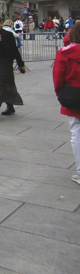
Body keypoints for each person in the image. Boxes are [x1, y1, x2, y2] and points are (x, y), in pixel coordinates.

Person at [52, 22, 80, 186]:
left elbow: (58, 78)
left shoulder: (64, 53)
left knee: (76, 132)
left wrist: (60, 94)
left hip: (73, 96)